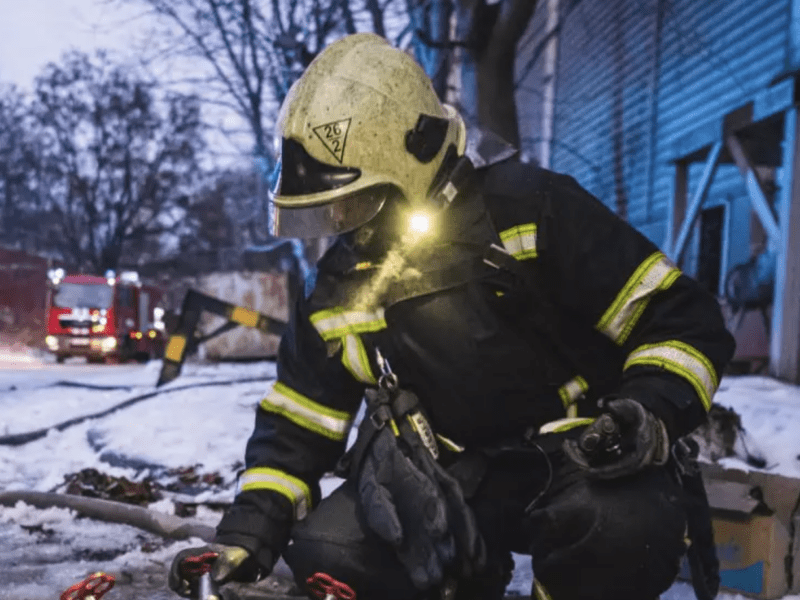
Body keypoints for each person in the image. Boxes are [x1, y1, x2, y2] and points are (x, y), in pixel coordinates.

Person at [169, 33, 735, 600]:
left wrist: (649, 413)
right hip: (451, 475)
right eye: (330, 209)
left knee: (618, 529)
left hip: (581, 455)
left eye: (356, 201)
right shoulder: (337, 288)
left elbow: (683, 322)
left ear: (415, 157)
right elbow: (298, 421)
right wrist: (250, 530)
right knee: (331, 552)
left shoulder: (531, 211)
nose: (342, 221)